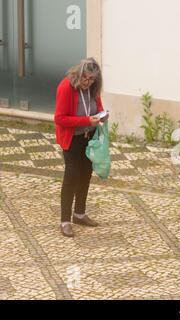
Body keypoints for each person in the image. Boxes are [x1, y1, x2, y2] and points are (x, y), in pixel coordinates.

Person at [54, 58, 108, 238]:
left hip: (89, 138)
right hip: (73, 139)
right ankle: (65, 221)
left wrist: (101, 116)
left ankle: (79, 214)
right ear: (79, 74)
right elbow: (59, 118)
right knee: (71, 177)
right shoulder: (66, 87)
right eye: (85, 78)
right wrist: (86, 120)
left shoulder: (93, 89)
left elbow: (97, 107)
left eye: (92, 79)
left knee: (85, 174)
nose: (88, 82)